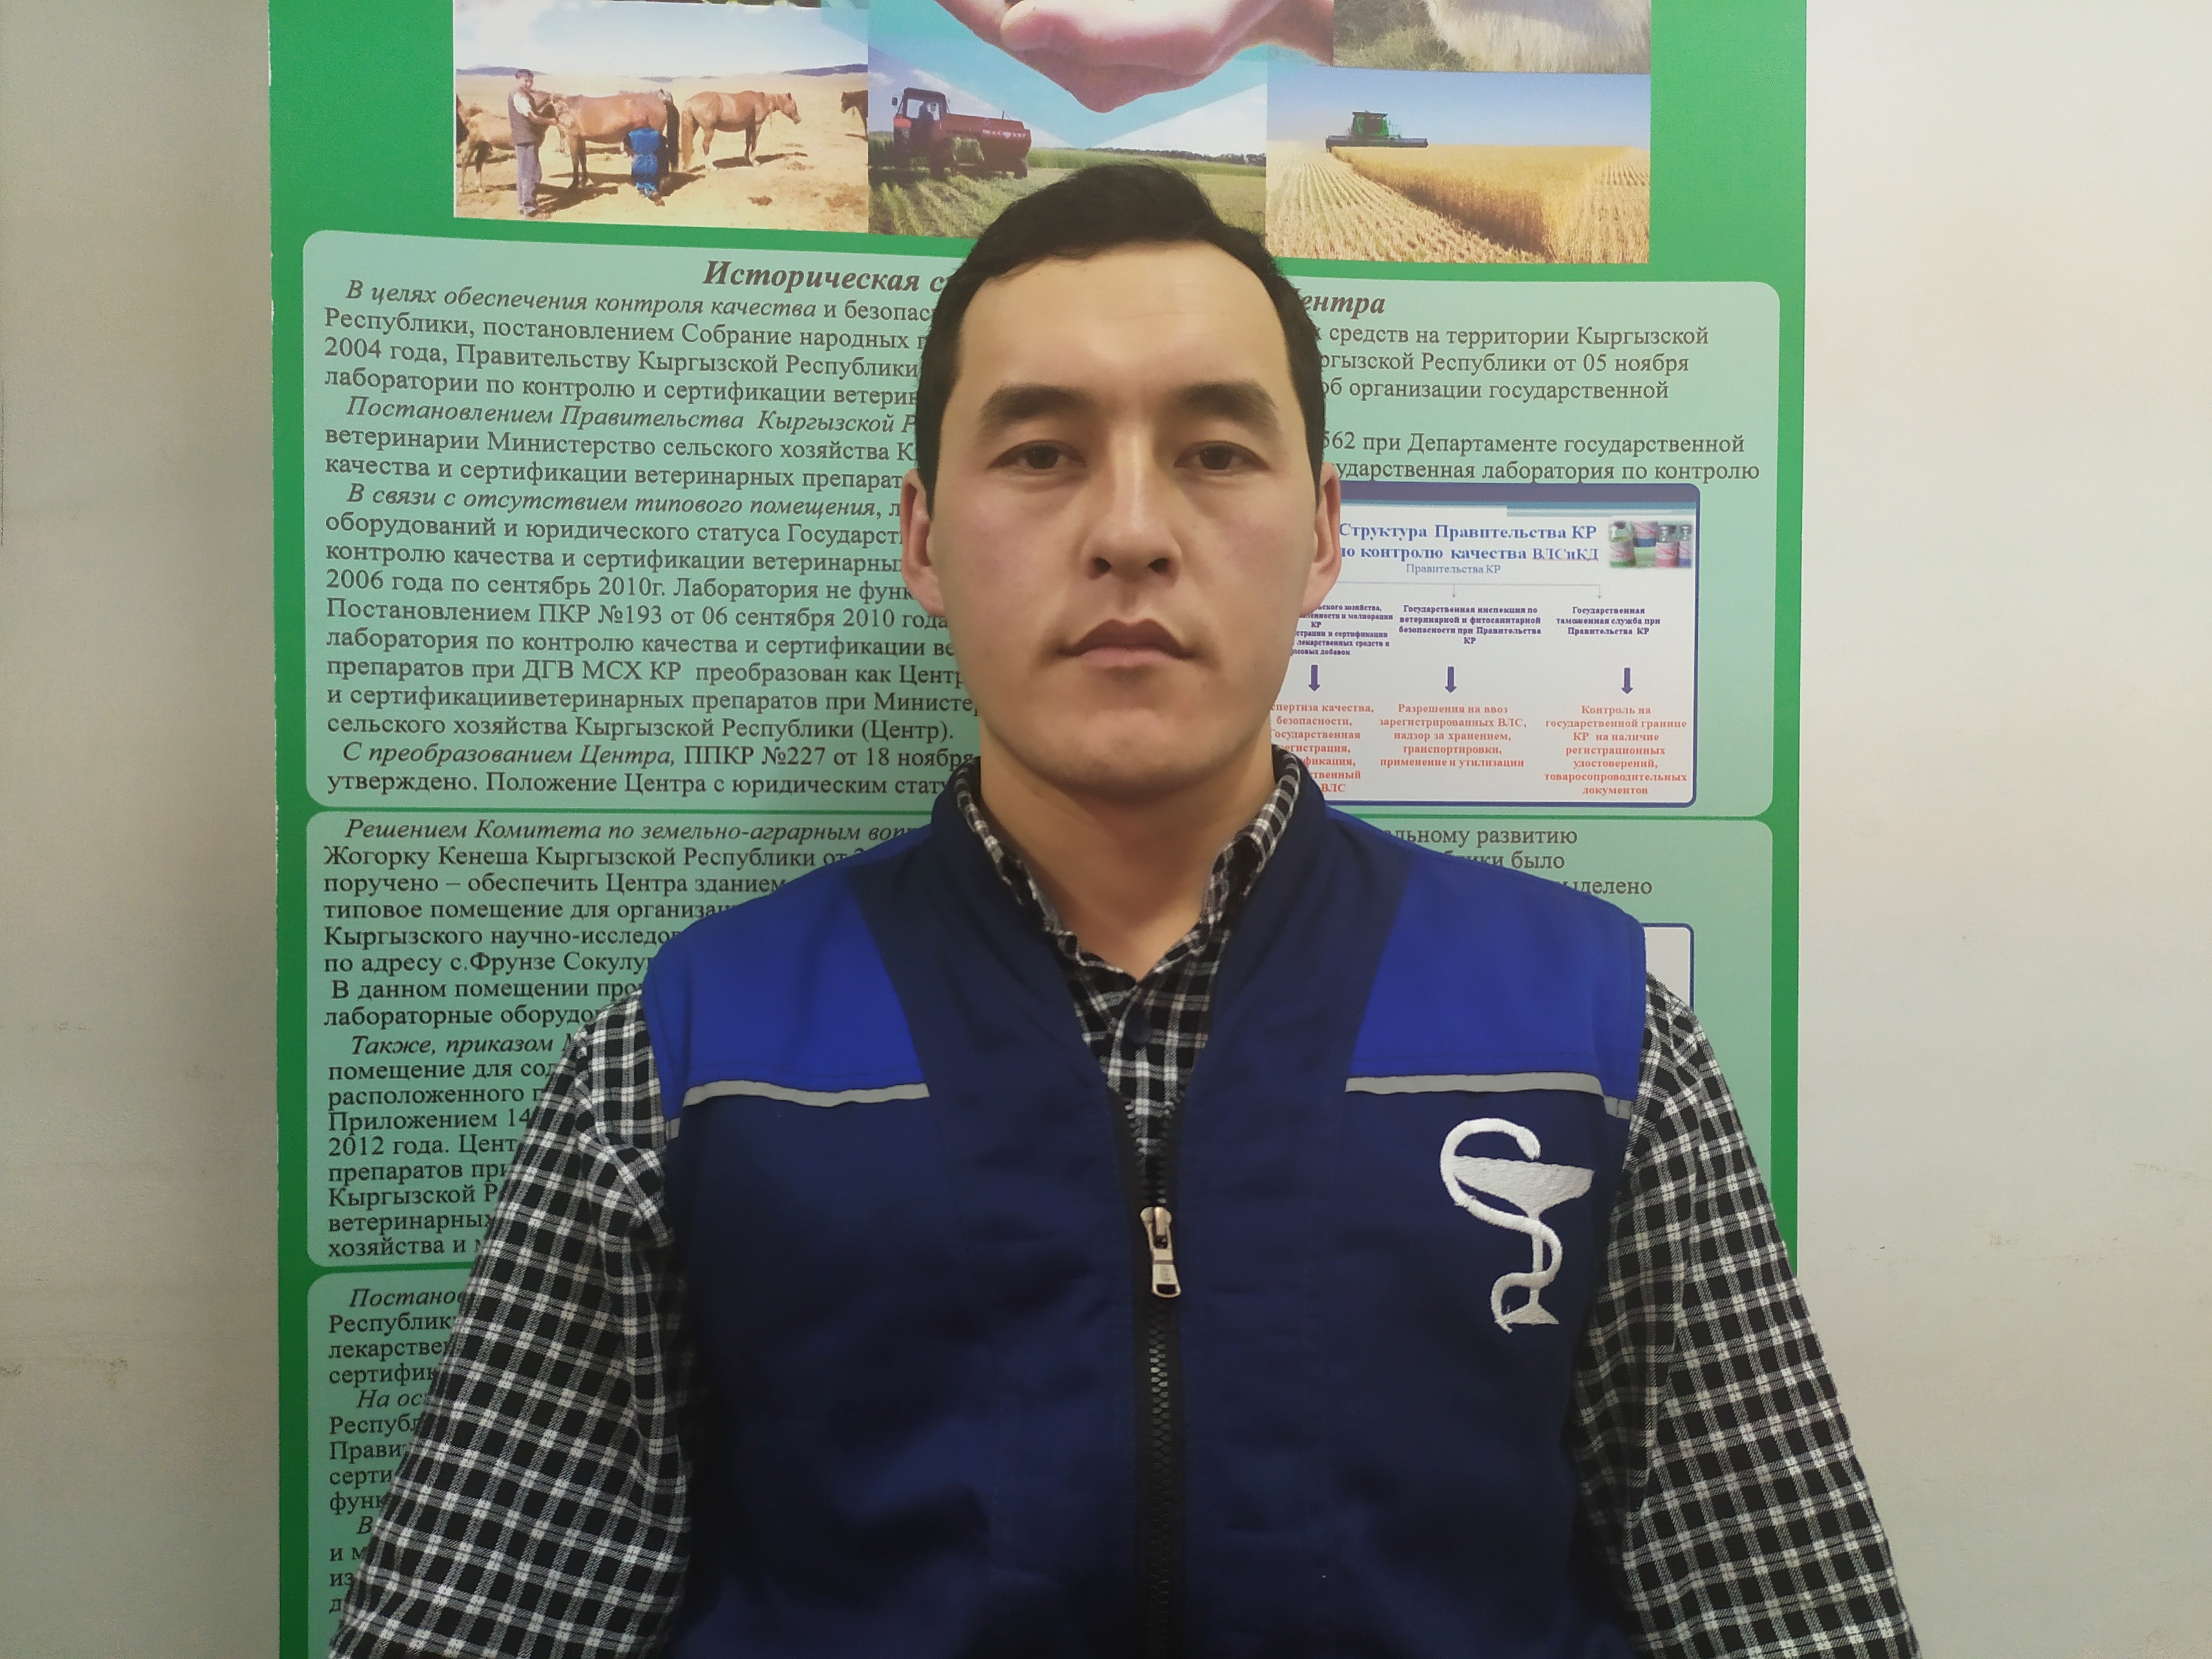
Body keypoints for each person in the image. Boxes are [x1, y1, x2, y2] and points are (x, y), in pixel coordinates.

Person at [330, 165, 1917, 1657]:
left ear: (1323, 533)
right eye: (1040, 453)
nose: (1133, 530)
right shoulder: (688, 1067)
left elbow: (1782, 1610)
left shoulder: (1592, 1041)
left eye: (1217, 451)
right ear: (924, 540)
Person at [508, 67, 556, 219]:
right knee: (532, 174)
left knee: (523, 173)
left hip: (522, 138)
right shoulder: (520, 96)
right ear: (518, 80)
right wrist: (550, 121)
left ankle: (523, 205)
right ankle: (531, 211)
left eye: (531, 81)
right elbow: (532, 117)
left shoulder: (520, 94)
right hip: (527, 139)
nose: (529, 84)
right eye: (526, 81)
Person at [624, 121, 666, 204]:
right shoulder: (656, 134)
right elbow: (664, 143)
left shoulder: (632, 134)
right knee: (652, 180)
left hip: (638, 161)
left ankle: (644, 190)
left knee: (640, 180)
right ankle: (652, 190)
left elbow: (627, 144)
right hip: (652, 161)